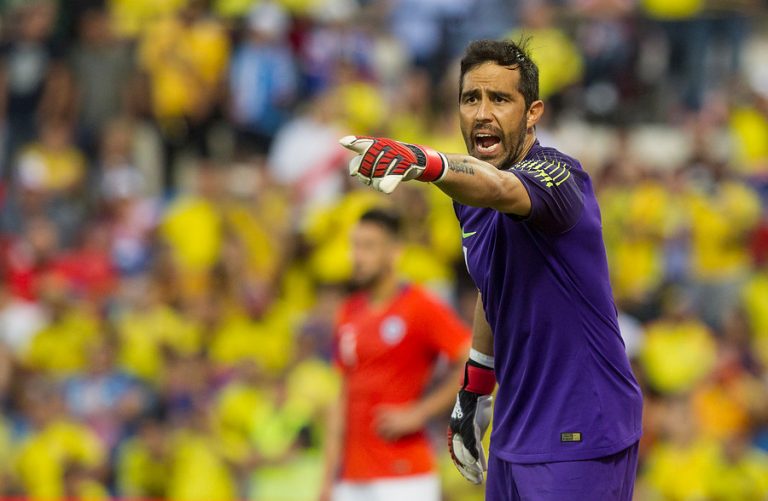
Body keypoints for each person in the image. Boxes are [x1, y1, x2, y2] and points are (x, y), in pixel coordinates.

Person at [339, 39, 643, 500]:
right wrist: (475, 388)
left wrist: (427, 162)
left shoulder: (561, 179)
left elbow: (501, 187)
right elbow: (493, 284)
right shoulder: (470, 202)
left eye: (500, 99)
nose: (483, 113)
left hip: (581, 429)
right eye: (470, 99)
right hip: (514, 432)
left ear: (533, 112)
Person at [320, 208, 471, 501]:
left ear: (394, 252)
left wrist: (420, 413)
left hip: (404, 475)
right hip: (351, 477)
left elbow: (471, 361)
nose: (357, 256)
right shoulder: (348, 312)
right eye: (355, 246)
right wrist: (327, 477)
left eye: (368, 247)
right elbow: (341, 396)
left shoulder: (420, 305)